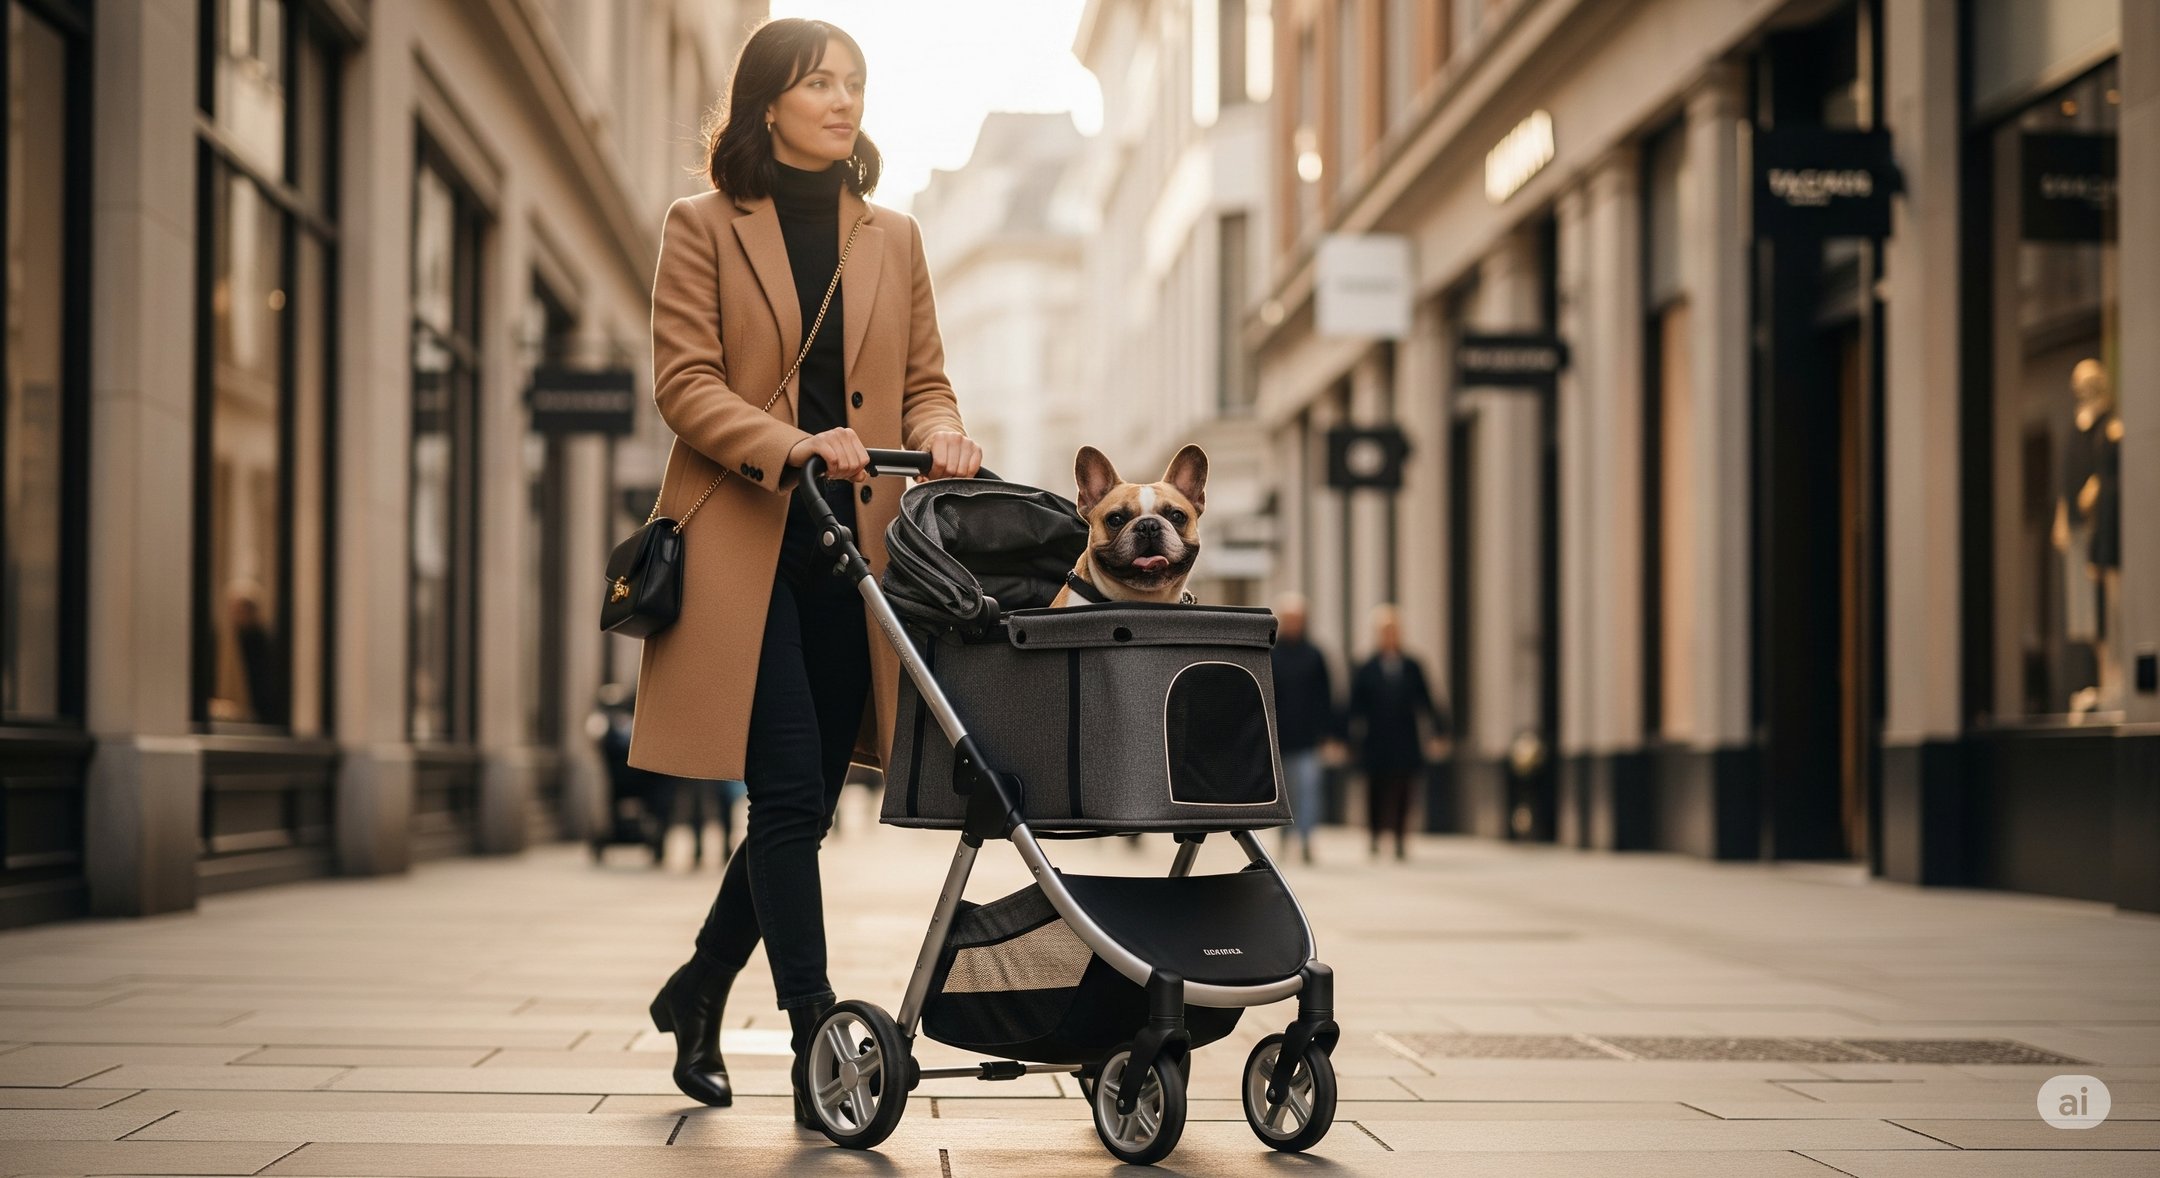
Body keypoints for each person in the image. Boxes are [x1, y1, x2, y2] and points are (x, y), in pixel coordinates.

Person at [628, 18, 981, 1117]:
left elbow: (924, 379)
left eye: (855, 82)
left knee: (807, 803)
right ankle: (816, 1031)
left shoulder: (896, 236)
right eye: (818, 81)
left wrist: (948, 432)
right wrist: (792, 445)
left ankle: (696, 987)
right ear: (766, 102)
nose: (842, 99)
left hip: (853, 550)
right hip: (747, 541)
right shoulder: (704, 226)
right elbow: (685, 383)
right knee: (783, 789)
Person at [1347, 604, 1449, 861]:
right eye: (1385, 631)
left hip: (1405, 737)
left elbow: (1427, 700)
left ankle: (1401, 837)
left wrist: (1439, 731)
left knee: (1404, 788)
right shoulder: (1367, 667)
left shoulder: (1413, 666)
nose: (1390, 636)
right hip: (1376, 738)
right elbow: (1354, 705)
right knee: (1376, 788)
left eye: (1394, 630)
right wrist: (1344, 737)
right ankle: (1374, 835)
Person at [1269, 594, 1337, 864]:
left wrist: (1330, 733)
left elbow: (1326, 695)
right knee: (1284, 795)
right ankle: (1285, 838)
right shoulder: (1272, 653)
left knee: (1309, 789)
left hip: (1308, 737)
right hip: (1280, 738)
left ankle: (1307, 838)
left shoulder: (1315, 655)